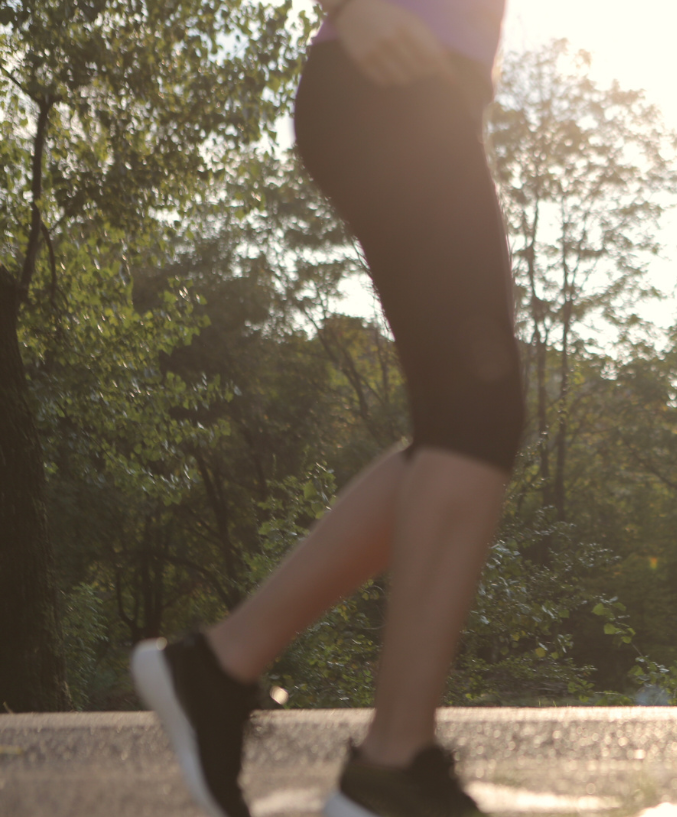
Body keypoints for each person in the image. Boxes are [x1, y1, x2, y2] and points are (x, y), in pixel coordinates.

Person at [130, 0, 520, 815]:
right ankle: (389, 765)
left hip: (414, 92)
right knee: (477, 422)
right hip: (392, 83)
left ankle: (222, 666)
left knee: (461, 426)